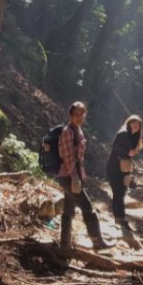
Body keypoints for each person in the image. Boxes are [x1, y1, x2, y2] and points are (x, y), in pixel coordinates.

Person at [57, 101, 109, 254]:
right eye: (77, 114)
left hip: (71, 176)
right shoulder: (68, 132)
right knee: (88, 208)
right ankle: (98, 243)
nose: (80, 117)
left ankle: (65, 244)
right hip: (68, 176)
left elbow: (78, 157)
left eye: (82, 114)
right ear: (70, 115)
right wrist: (74, 179)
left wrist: (79, 176)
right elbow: (67, 158)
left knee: (68, 210)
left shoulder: (77, 130)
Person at [106, 114, 143, 240]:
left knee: (121, 192)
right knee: (118, 193)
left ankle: (120, 218)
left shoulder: (133, 137)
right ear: (129, 123)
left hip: (124, 169)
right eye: (133, 123)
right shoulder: (123, 133)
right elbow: (115, 147)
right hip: (114, 168)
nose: (136, 126)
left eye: (138, 125)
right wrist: (128, 152)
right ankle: (119, 219)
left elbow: (128, 153)